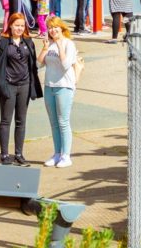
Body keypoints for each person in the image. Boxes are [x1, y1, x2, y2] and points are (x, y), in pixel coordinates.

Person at [0, 14, 42, 166]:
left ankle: (19, 154)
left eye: (22, 25)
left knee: (21, 121)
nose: (19, 28)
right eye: (16, 25)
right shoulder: (3, 43)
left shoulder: (29, 42)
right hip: (9, 85)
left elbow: (33, 64)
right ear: (10, 26)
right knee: (6, 120)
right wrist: (2, 85)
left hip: (24, 85)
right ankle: (5, 154)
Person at [42, 17, 83, 168]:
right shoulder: (50, 44)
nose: (53, 30)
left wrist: (60, 47)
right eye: (50, 28)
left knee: (63, 122)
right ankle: (57, 153)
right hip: (49, 86)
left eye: (55, 27)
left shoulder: (68, 44)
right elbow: (39, 64)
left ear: (61, 28)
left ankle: (66, 155)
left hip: (64, 86)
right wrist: (46, 48)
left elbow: (66, 65)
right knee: (54, 123)